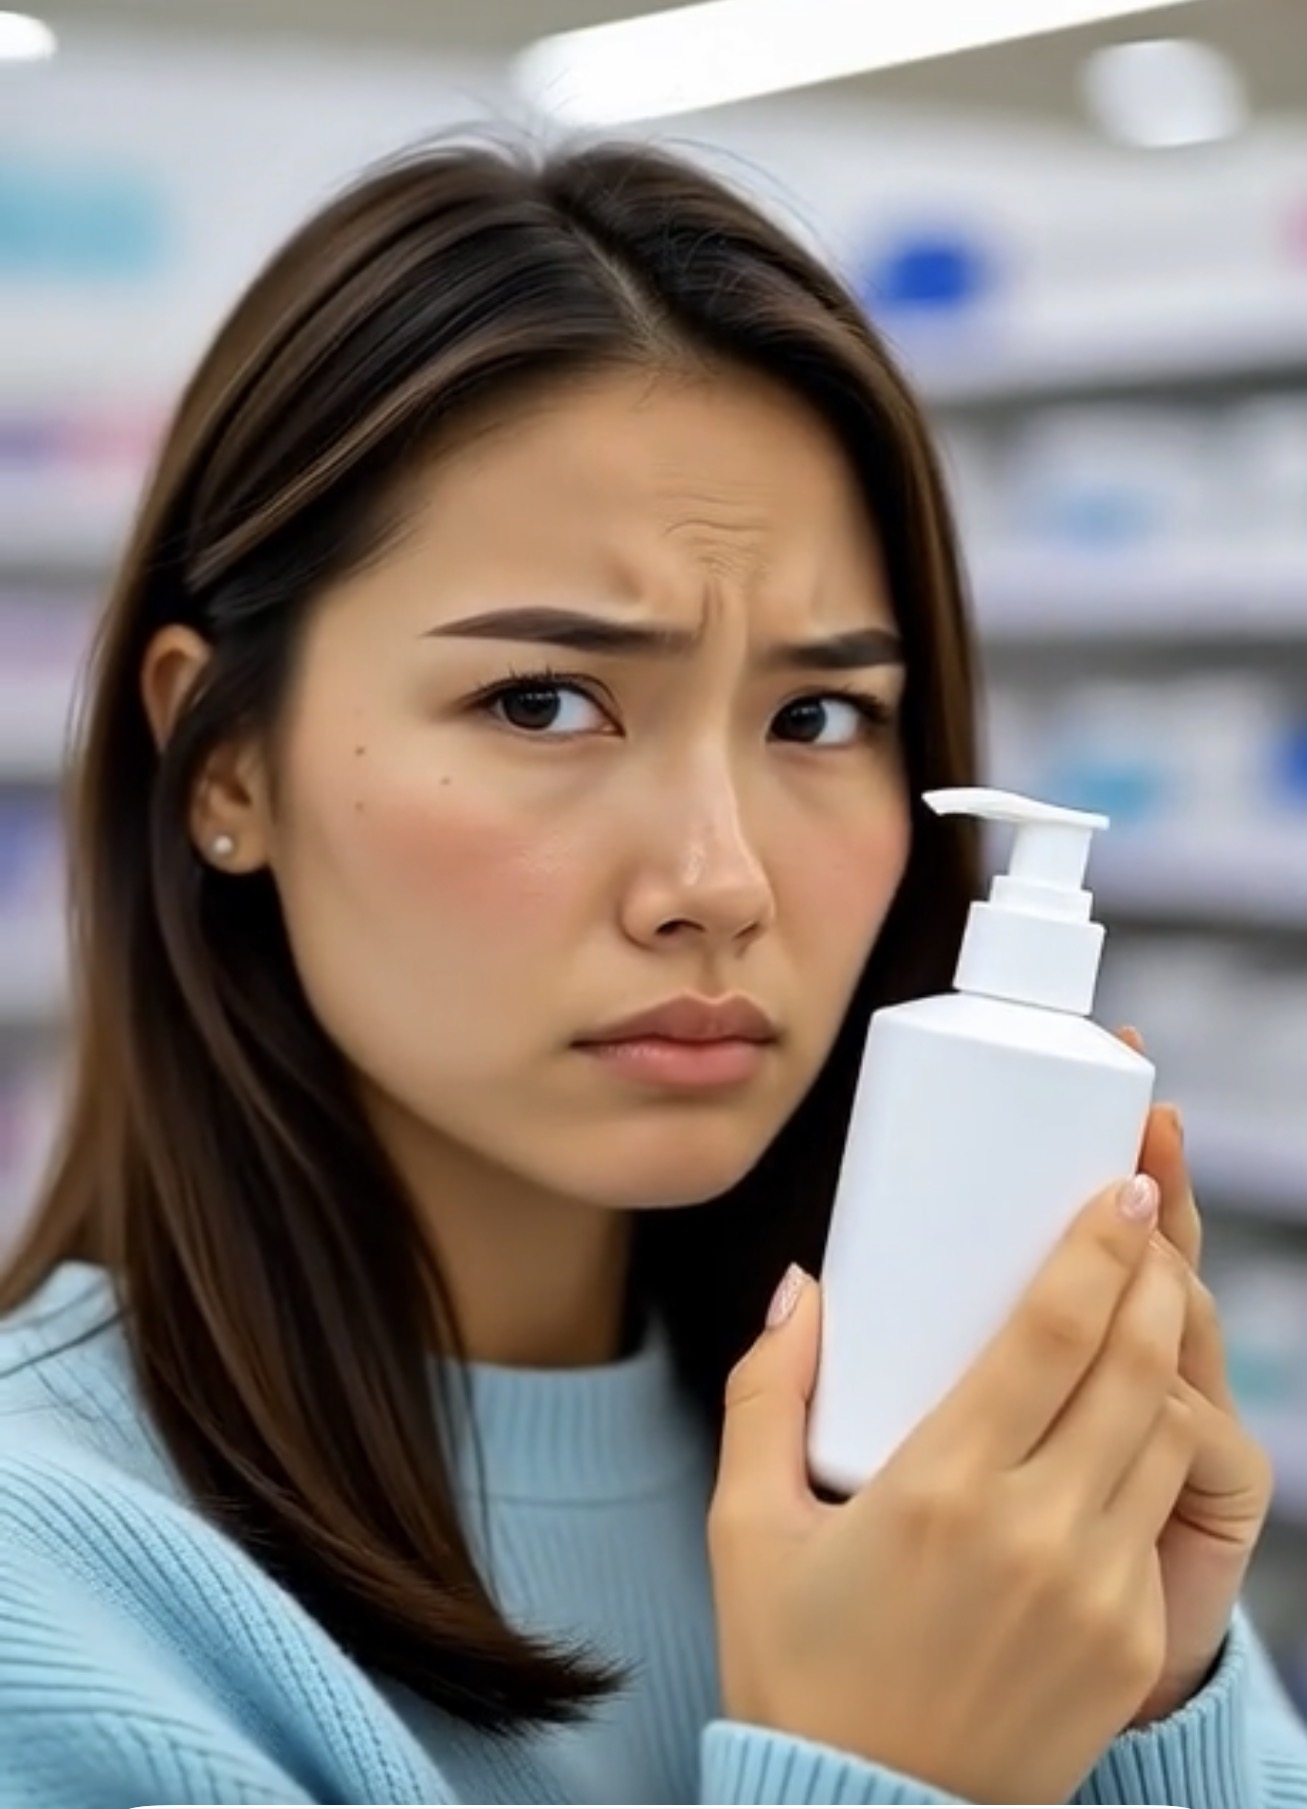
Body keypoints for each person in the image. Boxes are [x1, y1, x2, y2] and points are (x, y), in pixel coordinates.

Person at [0, 134, 1302, 1809]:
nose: (720, 881)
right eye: (545, 701)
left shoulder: (957, 1482)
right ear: (224, 761)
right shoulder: (58, 1586)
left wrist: (1154, 1707)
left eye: (817, 716)